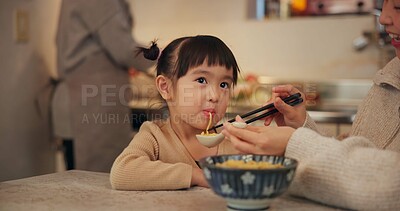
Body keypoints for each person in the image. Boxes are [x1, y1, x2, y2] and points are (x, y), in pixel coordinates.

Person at [221, 0, 400, 210]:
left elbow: (389, 183)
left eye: (398, 7)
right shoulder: (390, 76)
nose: (383, 18)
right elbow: (357, 162)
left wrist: (295, 143)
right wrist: (301, 125)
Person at [110, 35, 241, 190]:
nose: (215, 96)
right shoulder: (155, 136)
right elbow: (122, 172)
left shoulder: (234, 140)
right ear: (166, 87)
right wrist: (198, 175)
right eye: (201, 80)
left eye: (224, 84)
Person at [53, 0, 156, 172]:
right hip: (91, 104)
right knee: (95, 180)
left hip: (79, 100)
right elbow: (124, 48)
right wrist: (168, 57)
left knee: (80, 181)